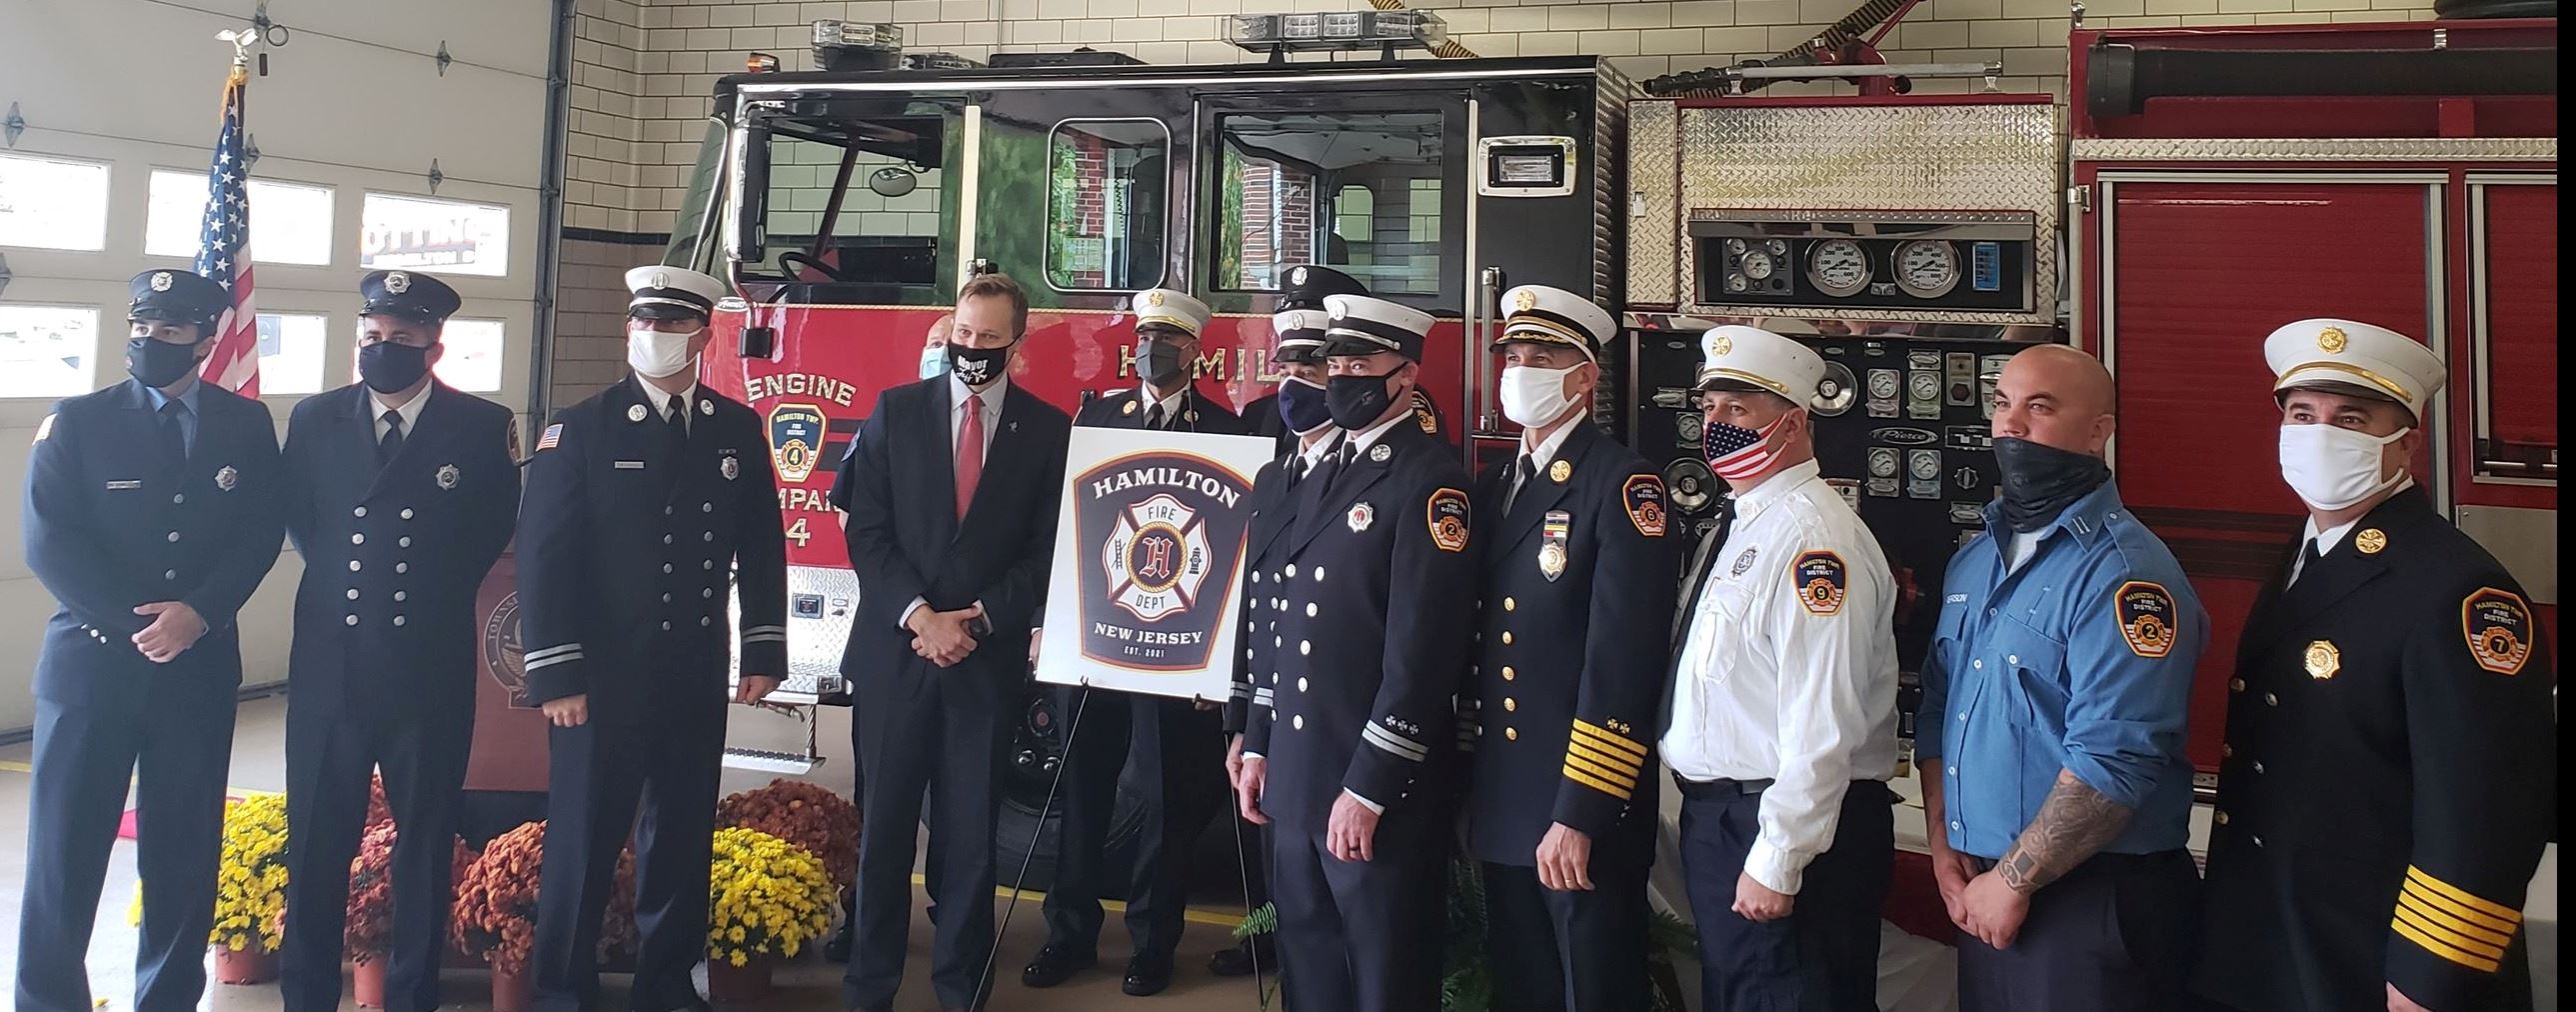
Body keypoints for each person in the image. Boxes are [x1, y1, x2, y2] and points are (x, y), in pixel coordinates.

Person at [2192, 319, 2556, 1012]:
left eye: (2351, 419)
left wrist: (2430, 976)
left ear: (2406, 444)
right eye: (2302, 415)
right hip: (2284, 938)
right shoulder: (2308, 554)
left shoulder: (2459, 592)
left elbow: (2488, 807)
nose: (2319, 435)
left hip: (2380, 962)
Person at [520, 265, 788, 1012]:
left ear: (702, 335)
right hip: (600, 681)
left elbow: (761, 546)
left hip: (692, 670)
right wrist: (556, 673)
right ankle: (562, 992)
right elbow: (544, 558)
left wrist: (764, 649)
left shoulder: (735, 429)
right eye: (643, 321)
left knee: (680, 839)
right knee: (583, 842)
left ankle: (665, 986)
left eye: (670, 324)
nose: (653, 334)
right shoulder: (581, 428)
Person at [16, 269, 284, 1012]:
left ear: (204, 340)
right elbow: (48, 542)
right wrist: (138, 626)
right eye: (141, 327)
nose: (149, 341)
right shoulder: (78, 421)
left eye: (169, 330)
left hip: (196, 671)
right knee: (63, 857)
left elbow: (261, 531)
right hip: (91, 671)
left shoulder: (244, 425)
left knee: (183, 856)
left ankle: (165, 1000)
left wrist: (200, 612)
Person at [1914, 344, 2205, 1011]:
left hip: (2087, 899)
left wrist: (2014, 881)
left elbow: (2116, 756)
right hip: (1983, 885)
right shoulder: (1974, 562)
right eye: (2001, 404)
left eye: (2039, 407)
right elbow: (1937, 707)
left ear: (2098, 432)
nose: (2011, 425)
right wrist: (1942, 842)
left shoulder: (2126, 575)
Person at [276, 271, 520, 1012]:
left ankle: (413, 994)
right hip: (330, 670)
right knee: (317, 844)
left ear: (434, 347)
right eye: (373, 337)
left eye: (402, 339)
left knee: (425, 843)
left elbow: (489, 528)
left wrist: (419, 599)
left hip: (427, 670)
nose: (383, 349)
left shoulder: (480, 425)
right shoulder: (315, 419)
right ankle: (306, 995)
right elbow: (303, 521)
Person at [838, 273, 1072, 1012]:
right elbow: (866, 531)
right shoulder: (896, 412)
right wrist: (921, 617)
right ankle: (868, 989)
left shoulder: (1047, 431)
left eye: (989, 338)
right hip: (896, 656)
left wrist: (980, 617)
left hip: (983, 661)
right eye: (963, 334)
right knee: (883, 837)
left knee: (970, 841)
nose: (972, 348)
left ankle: (961, 991)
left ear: (1016, 343)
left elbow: (1048, 548)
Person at [1236, 293, 1476, 1012]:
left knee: (1381, 980)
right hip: (1299, 779)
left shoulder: (1431, 483)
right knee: (1310, 972)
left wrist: (1369, 788)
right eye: (1334, 363)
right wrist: (1260, 742)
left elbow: (1421, 659)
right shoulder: (1318, 472)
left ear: (1405, 375)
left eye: (1359, 364)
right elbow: (1282, 627)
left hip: (1370, 791)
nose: (1341, 377)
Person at [1660, 325, 1897, 1012]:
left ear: (1792, 423)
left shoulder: (1812, 540)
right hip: (1727, 819)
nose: (1716, 424)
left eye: (1738, 409)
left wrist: (1778, 858)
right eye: (1710, 407)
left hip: (1780, 824)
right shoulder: (1746, 523)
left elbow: (1823, 719)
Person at [1026, 288, 1247, 996]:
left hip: (1178, 651)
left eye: (1170, 340)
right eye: (1146, 336)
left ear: (1194, 351)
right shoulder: (1095, 420)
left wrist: (1221, 660)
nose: (1154, 350)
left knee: (1164, 802)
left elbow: (1236, 551)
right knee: (1082, 789)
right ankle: (1069, 934)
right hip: (1096, 638)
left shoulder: (1228, 431)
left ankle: (1153, 944)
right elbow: (1061, 527)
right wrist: (1045, 620)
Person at [1462, 285, 1678, 1011]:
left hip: (1577, 798)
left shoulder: (1622, 485)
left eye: (1541, 358)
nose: (1519, 371)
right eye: (1512, 357)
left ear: (1584, 377)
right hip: (1505, 795)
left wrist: (1580, 812)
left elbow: (1622, 666)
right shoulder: (1495, 485)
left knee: (1594, 987)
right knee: (1523, 987)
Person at [1211, 288, 1345, 979]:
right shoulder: (1274, 470)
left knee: (1342, 931)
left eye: (1312, 368)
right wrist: (1244, 726)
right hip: (1272, 726)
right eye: (1287, 367)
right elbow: (1256, 606)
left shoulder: (1369, 472)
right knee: (1294, 919)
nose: (1295, 384)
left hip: (1339, 737)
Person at [1241, 265, 1366, 453]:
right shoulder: (1258, 417)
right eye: (1285, 373)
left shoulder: (1364, 438)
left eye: (1307, 373)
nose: (1292, 385)